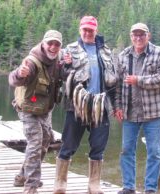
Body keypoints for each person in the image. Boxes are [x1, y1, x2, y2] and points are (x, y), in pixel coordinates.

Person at [53, 16, 116, 194]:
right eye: (85, 29)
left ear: (96, 31)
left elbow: (112, 82)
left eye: (91, 30)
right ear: (80, 30)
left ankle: (93, 185)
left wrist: (115, 105)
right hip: (76, 105)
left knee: (98, 145)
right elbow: (62, 75)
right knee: (68, 144)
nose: (88, 33)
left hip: (100, 104)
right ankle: (60, 183)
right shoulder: (69, 50)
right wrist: (64, 66)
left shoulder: (105, 51)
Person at [114, 23, 160, 194]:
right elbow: (117, 84)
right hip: (129, 112)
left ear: (148, 35)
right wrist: (117, 106)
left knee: (154, 152)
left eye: (142, 34)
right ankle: (128, 187)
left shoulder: (159, 53)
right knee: (126, 151)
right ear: (131, 36)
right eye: (135, 34)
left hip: (153, 113)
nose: (138, 37)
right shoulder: (123, 55)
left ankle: (150, 189)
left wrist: (139, 80)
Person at [8, 29, 63, 194]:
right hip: (28, 110)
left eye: (57, 44)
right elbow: (13, 78)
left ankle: (21, 177)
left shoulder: (58, 60)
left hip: (46, 110)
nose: (53, 47)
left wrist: (67, 64)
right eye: (50, 43)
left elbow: (64, 75)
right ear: (43, 43)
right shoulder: (32, 61)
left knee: (46, 141)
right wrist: (19, 74)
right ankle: (31, 186)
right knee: (35, 143)